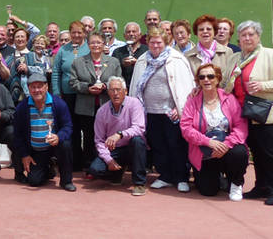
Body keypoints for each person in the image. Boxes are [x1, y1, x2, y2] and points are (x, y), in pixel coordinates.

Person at [129, 27, 195, 193]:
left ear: (166, 42)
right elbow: (135, 85)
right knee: (158, 145)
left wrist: (179, 109)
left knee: (176, 145)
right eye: (152, 42)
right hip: (149, 111)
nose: (155, 45)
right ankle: (165, 176)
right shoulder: (143, 60)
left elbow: (186, 87)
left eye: (159, 42)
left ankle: (181, 177)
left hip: (171, 112)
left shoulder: (176, 60)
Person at [180, 63, 248, 200]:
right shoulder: (193, 100)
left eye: (210, 76)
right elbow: (186, 127)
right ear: (198, 81)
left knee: (239, 152)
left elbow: (241, 126)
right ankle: (217, 178)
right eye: (202, 77)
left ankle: (236, 183)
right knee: (208, 191)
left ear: (217, 79)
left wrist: (226, 145)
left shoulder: (229, 99)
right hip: (204, 151)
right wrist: (208, 142)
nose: (206, 80)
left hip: (226, 149)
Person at [228, 20, 273, 205]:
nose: (247, 38)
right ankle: (261, 186)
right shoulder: (236, 58)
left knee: (269, 154)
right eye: (244, 35)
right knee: (256, 152)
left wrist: (263, 85)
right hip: (243, 114)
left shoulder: (269, 54)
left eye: (251, 34)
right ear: (238, 38)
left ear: (258, 36)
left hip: (265, 114)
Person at [69, 32, 122, 171]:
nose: (96, 45)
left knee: (107, 136)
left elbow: (119, 81)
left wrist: (105, 86)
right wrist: (87, 88)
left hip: (107, 106)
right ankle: (89, 166)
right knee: (89, 137)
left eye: (99, 42)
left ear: (104, 44)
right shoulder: (78, 62)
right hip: (86, 107)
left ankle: (107, 165)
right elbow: (73, 82)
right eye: (92, 42)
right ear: (88, 44)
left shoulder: (113, 62)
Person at [13, 73, 75, 191]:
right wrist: (25, 154)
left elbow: (68, 126)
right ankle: (48, 169)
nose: (37, 90)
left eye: (40, 86)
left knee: (66, 144)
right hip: (36, 151)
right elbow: (18, 134)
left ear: (46, 87)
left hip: (55, 146)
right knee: (34, 181)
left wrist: (59, 137)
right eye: (33, 87)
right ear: (29, 88)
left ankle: (66, 181)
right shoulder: (22, 107)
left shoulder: (59, 104)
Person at [87, 77, 147, 196]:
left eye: (119, 90)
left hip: (132, 147)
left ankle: (139, 183)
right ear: (108, 92)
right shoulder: (102, 111)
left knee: (137, 141)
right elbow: (99, 140)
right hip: (113, 150)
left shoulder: (135, 103)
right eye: (112, 90)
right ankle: (117, 172)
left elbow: (139, 128)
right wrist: (109, 160)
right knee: (95, 169)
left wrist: (120, 134)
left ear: (125, 91)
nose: (115, 93)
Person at [52, 21, 89, 164]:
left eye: (79, 32)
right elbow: (56, 72)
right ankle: (73, 160)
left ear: (84, 33)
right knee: (70, 127)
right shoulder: (63, 50)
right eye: (73, 32)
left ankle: (87, 160)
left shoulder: (89, 48)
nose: (77, 35)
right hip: (67, 95)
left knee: (86, 128)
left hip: (85, 94)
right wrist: (57, 93)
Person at [184, 15, 235, 92]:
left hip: (222, 97)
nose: (205, 31)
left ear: (214, 32)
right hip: (197, 99)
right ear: (196, 33)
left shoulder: (227, 52)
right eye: (201, 29)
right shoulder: (188, 56)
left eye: (208, 29)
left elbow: (230, 79)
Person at [111, 22, 148, 88]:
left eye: (134, 31)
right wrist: (122, 64)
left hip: (143, 86)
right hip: (123, 88)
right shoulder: (117, 51)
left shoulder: (147, 50)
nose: (131, 34)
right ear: (124, 35)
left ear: (140, 35)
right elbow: (112, 71)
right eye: (128, 32)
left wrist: (138, 63)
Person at [5, 29, 33, 104]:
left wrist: (28, 69)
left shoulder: (34, 56)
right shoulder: (8, 58)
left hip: (31, 97)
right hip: (11, 98)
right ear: (14, 40)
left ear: (27, 40)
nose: (20, 39)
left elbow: (42, 72)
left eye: (22, 37)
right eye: (17, 37)